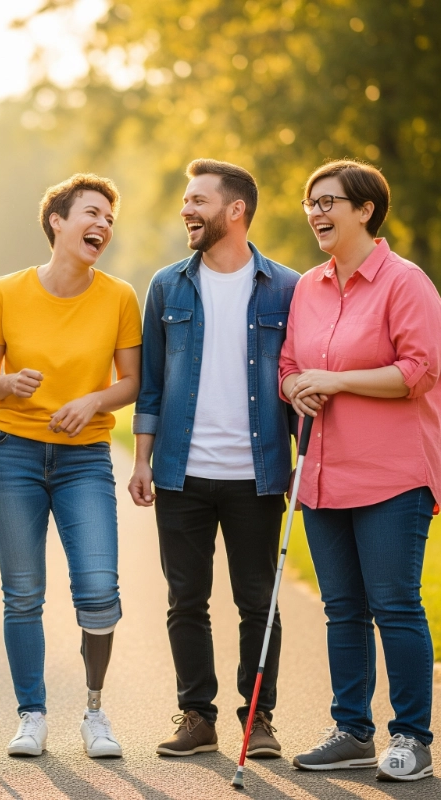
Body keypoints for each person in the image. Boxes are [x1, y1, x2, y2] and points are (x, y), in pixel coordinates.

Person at [129, 160, 300, 759]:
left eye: (198, 199)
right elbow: (151, 384)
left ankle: (260, 721)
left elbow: (297, 382)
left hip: (257, 476)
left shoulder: (288, 287)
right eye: (185, 199)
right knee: (186, 600)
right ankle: (196, 716)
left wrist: (306, 453)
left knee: (259, 602)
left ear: (236, 210)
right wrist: (143, 460)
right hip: (181, 472)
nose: (186, 210)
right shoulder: (167, 286)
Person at [0, 174, 141, 758]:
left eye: (110, 220)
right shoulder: (7, 291)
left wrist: (94, 400)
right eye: (92, 213)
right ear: (58, 222)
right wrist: (9, 383)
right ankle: (31, 714)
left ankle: (94, 710)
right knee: (23, 593)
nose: (103, 225)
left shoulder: (119, 296)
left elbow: (133, 383)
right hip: (12, 453)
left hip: (85, 459)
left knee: (98, 588)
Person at [283, 161, 441, 782]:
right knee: (342, 607)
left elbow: (419, 371)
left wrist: (336, 379)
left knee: (395, 604)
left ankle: (413, 739)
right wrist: (296, 384)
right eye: (310, 203)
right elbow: (290, 363)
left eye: (328, 202)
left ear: (365, 210)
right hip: (322, 473)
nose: (317, 213)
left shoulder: (406, 283)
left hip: (393, 476)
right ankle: (351, 730)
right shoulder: (307, 287)